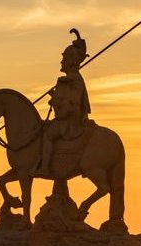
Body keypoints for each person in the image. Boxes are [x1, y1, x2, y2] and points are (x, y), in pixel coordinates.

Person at [38, 28, 92, 176]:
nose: (61, 61)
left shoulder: (73, 79)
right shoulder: (70, 79)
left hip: (69, 122)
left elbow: (72, 102)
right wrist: (55, 98)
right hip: (65, 119)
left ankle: (45, 167)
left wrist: (57, 101)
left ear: (71, 62)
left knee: (48, 136)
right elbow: (64, 99)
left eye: (65, 59)